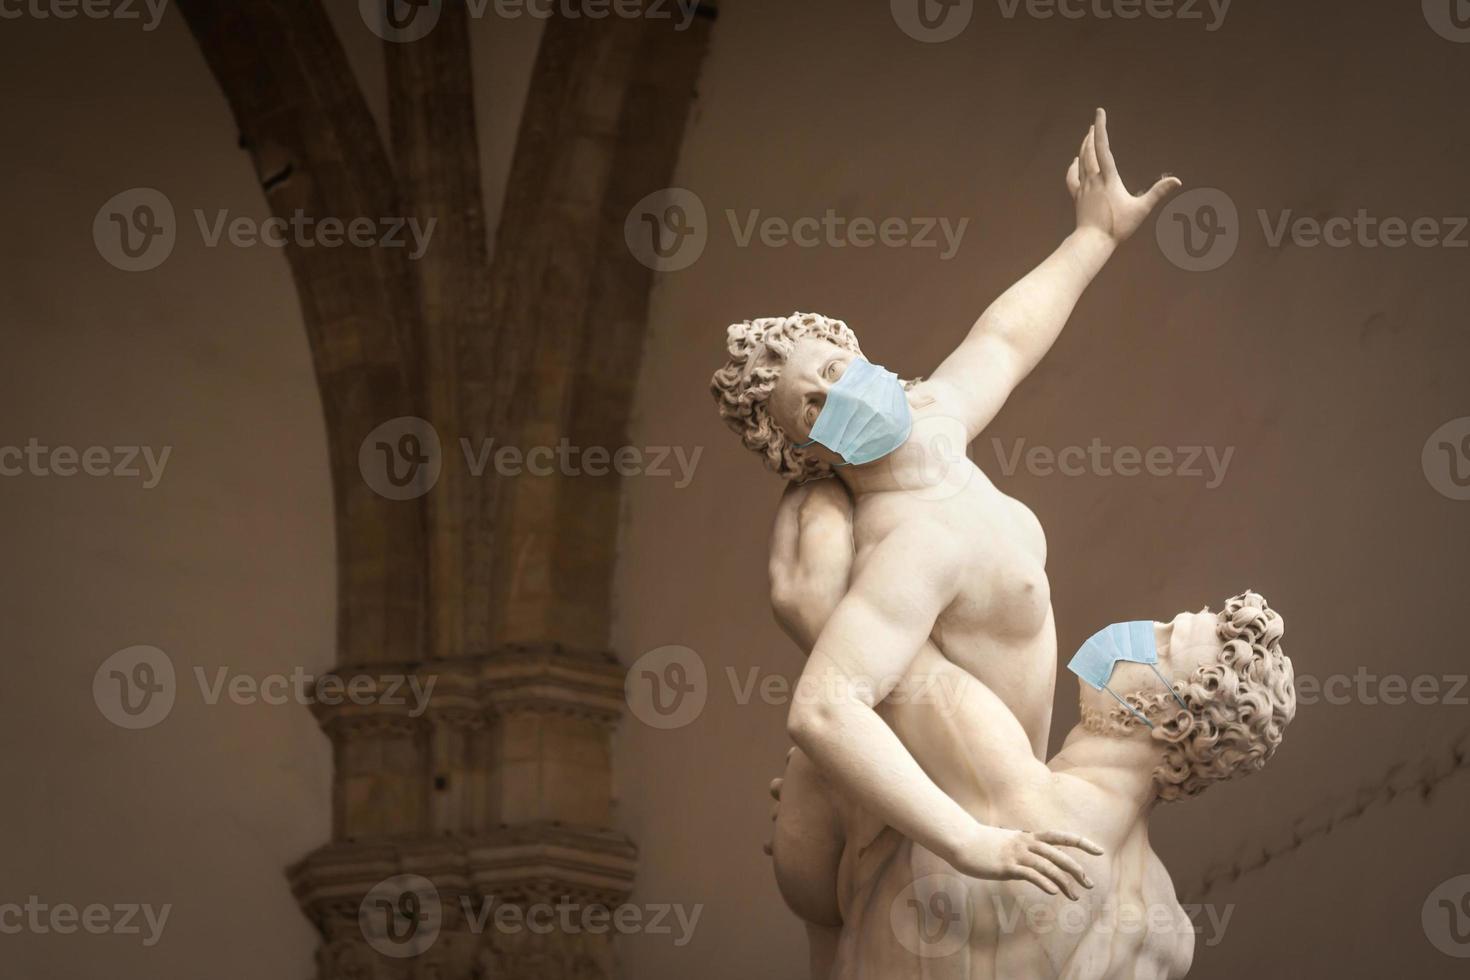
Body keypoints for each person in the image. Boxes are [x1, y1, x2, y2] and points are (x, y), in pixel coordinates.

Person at [710, 109, 1182, 901]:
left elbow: (1003, 339)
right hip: (985, 809)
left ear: (858, 350)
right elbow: (824, 709)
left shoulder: (936, 421)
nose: (840, 393)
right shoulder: (903, 539)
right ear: (806, 454)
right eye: (815, 407)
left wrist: (1093, 238)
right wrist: (971, 842)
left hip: (1022, 782)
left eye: (833, 367)